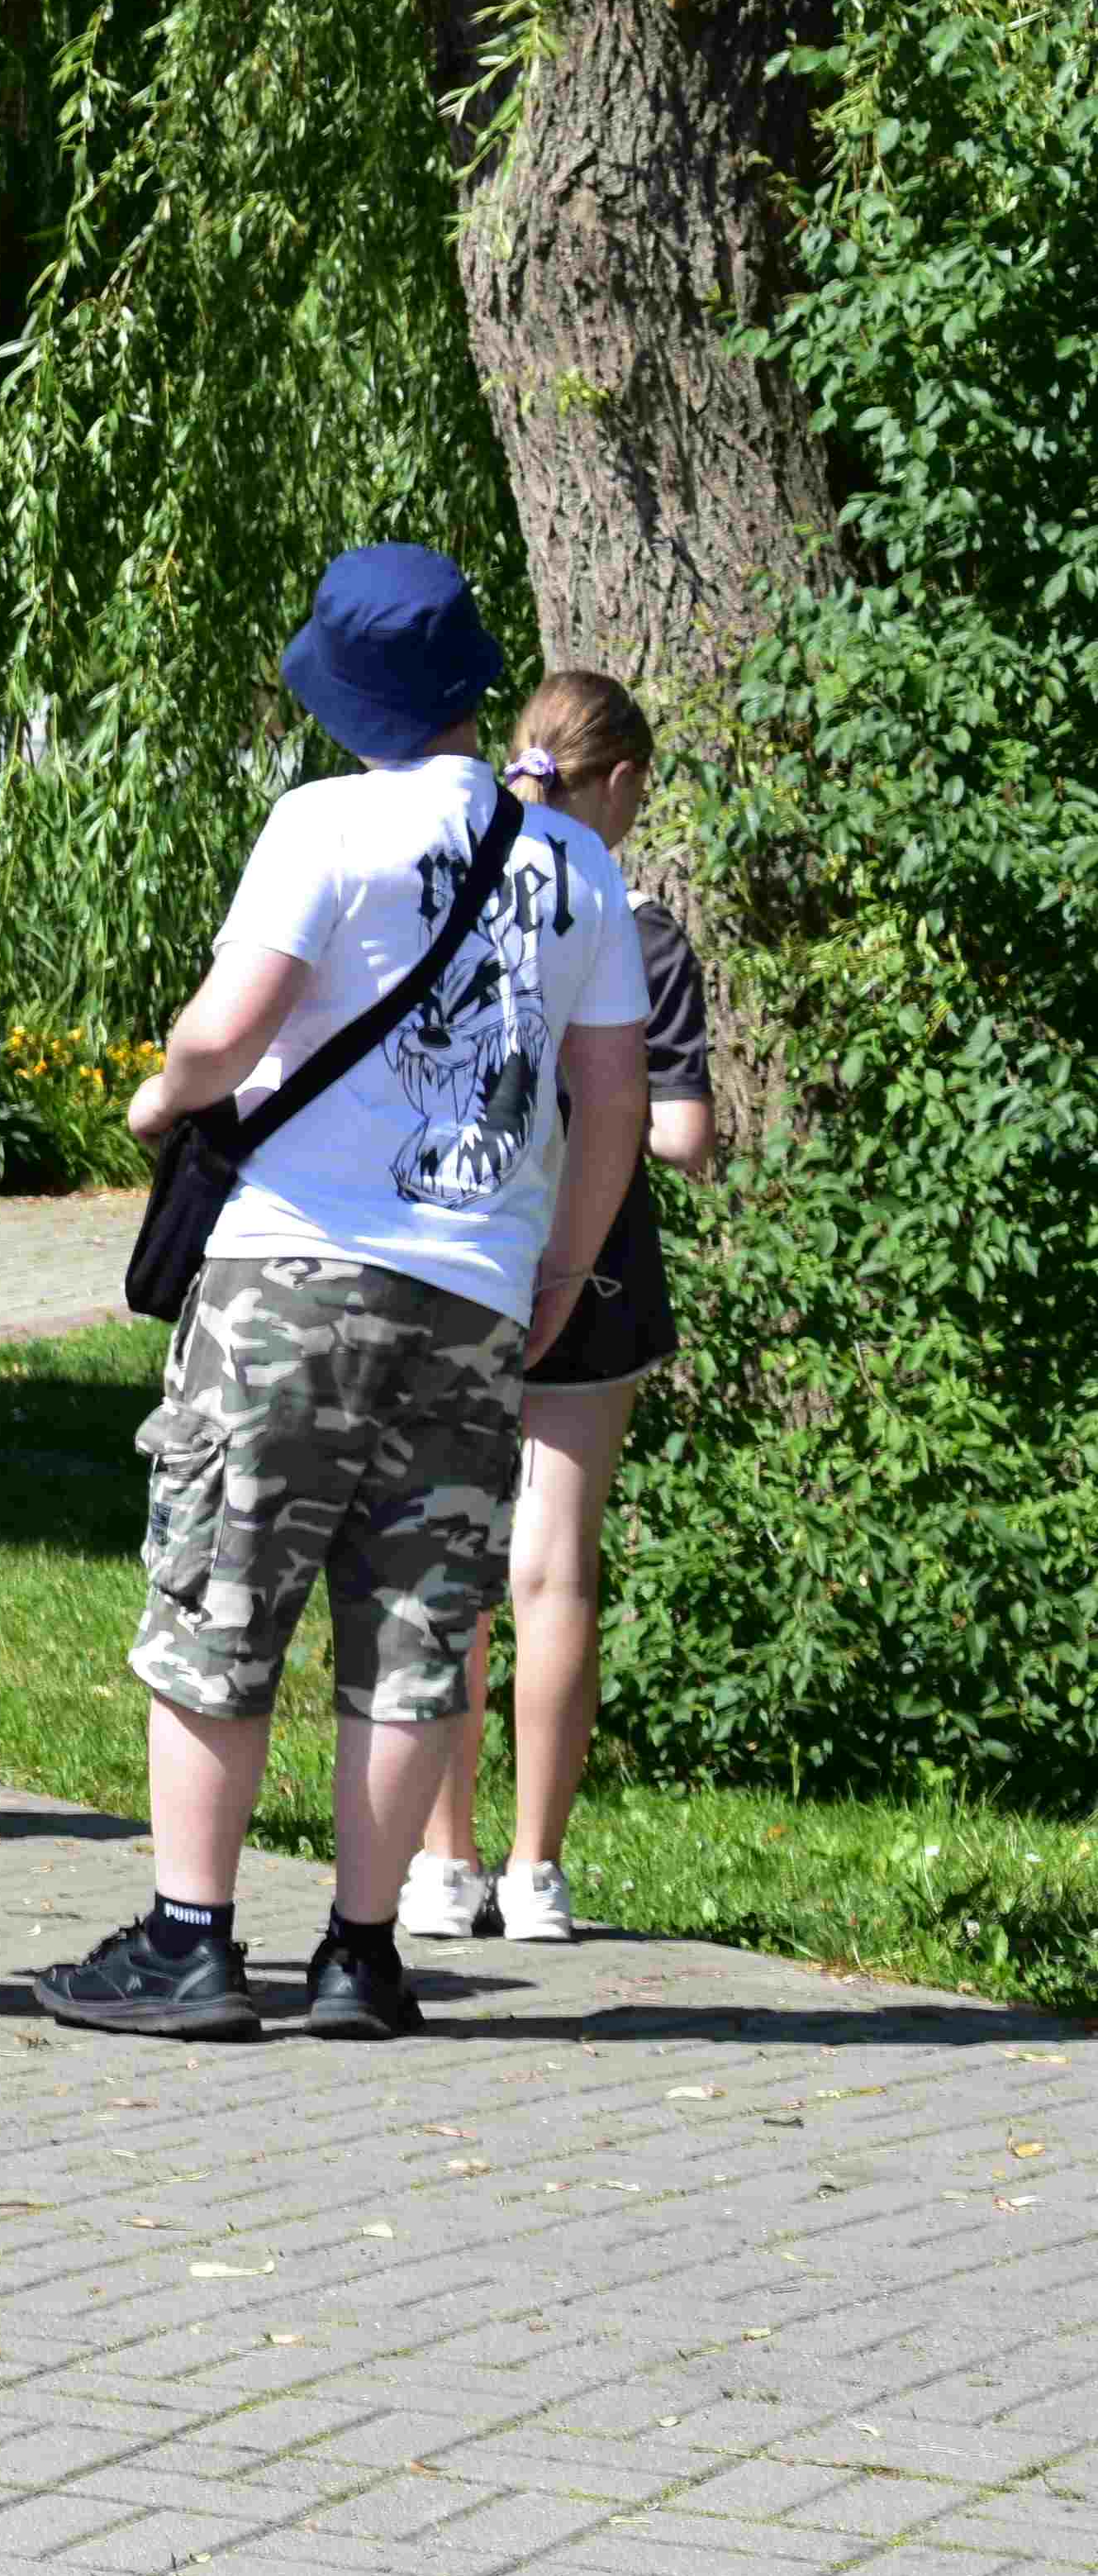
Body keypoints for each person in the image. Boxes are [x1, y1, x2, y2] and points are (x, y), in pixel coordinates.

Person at [37, 547, 649, 2043]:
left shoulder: (325, 823)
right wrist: (556, 1272)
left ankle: (192, 1938)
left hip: (293, 1270)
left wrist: (165, 1093)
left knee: (223, 1598)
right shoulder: (580, 865)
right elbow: (613, 1104)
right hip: (478, 1288)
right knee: (416, 1629)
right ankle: (363, 1953)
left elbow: (230, 1024)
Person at [406, 673, 715, 1946]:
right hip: (593, 1268)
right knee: (555, 1568)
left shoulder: (465, 888)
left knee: (442, 1561)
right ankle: (538, 1874)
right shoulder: (638, 928)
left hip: (457, 1238)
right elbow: (683, 1135)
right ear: (625, 784)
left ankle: (440, 1865)